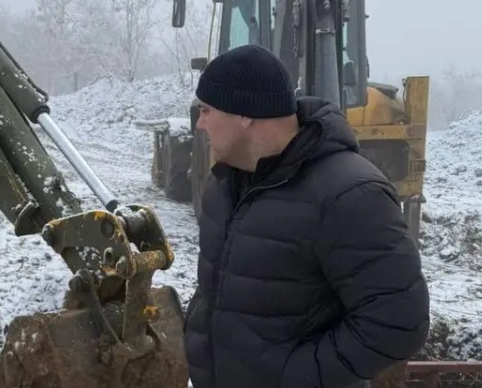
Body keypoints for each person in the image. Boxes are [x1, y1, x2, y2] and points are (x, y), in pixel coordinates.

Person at [183, 44, 430, 388]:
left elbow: (399, 322)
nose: (199, 124)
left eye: (207, 110)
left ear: (245, 114)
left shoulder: (349, 195)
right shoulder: (223, 187)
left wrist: (294, 376)